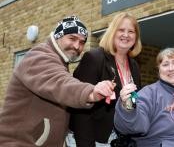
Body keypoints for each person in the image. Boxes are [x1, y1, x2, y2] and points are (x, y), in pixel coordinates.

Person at [0, 16, 116, 147]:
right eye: (72, 38)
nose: (77, 46)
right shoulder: (39, 56)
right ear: (58, 36)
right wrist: (90, 92)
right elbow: (59, 82)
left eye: (82, 42)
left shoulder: (59, 60)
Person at [69, 13, 142, 147]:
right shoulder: (94, 58)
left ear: (136, 37)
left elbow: (135, 100)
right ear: (112, 32)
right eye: (121, 30)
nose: (126, 35)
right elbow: (80, 108)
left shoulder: (134, 66)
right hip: (91, 139)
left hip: (118, 139)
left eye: (131, 31)